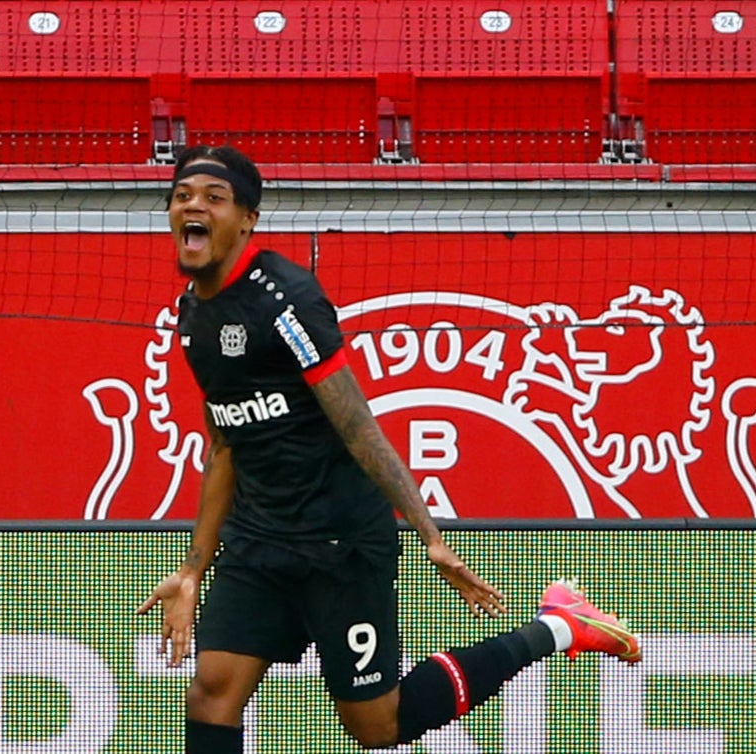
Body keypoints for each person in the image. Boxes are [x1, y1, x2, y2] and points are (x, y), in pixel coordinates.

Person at [137, 144, 641, 752]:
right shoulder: (193, 316)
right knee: (212, 693)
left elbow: (359, 427)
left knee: (377, 726)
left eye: (213, 198)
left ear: (247, 220)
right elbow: (224, 445)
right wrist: (194, 568)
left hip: (340, 541)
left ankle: (558, 626)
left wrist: (430, 536)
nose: (193, 206)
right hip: (259, 541)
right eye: (182, 197)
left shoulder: (287, 300)